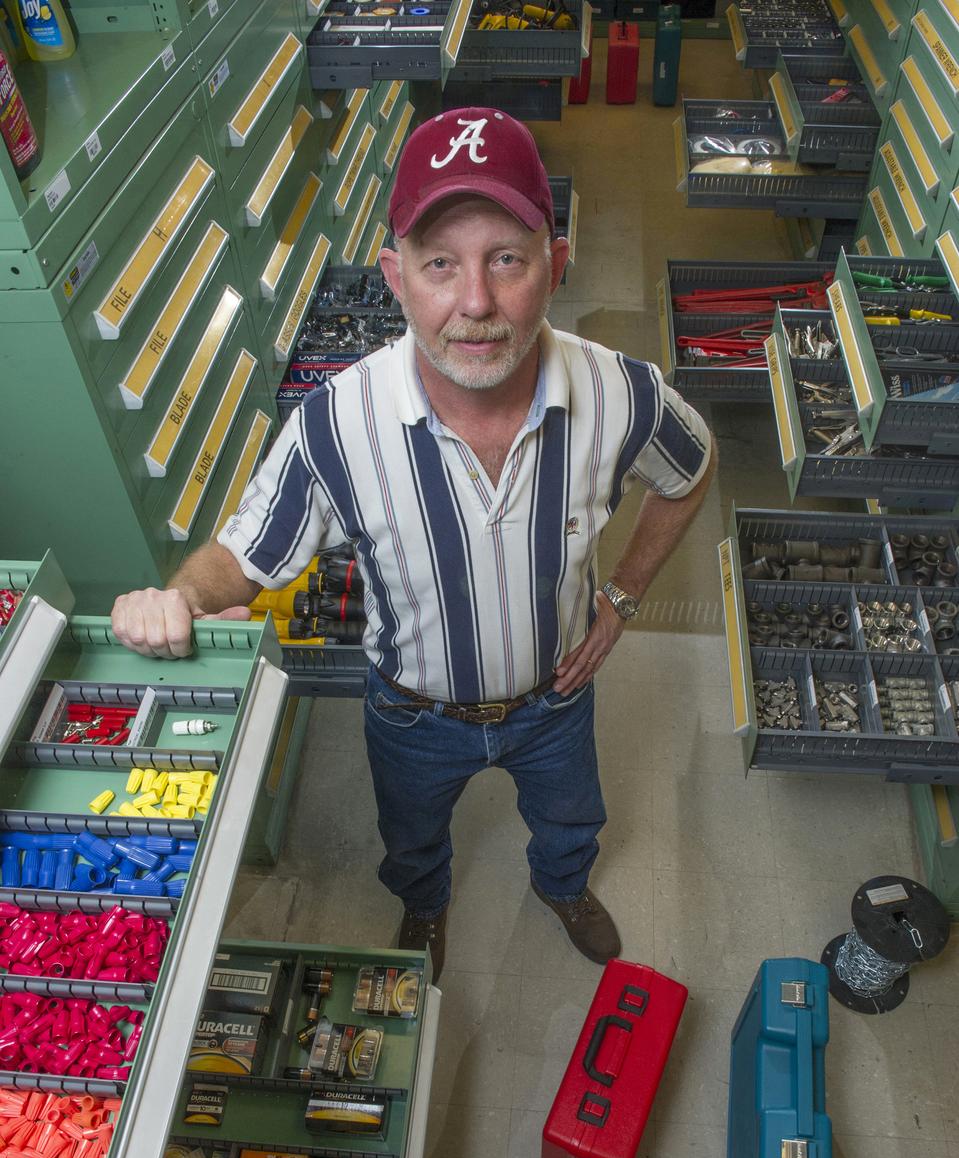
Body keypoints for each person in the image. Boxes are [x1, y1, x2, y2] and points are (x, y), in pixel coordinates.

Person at [111, 108, 716, 982]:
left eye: (506, 258)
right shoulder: (334, 425)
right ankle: (424, 903)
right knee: (411, 837)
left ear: (557, 264)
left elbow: (689, 472)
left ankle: (561, 886)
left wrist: (620, 597)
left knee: (571, 820)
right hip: (411, 714)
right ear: (395, 277)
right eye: (441, 264)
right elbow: (239, 561)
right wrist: (177, 597)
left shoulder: (622, 394)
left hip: (555, 701)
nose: (475, 302)